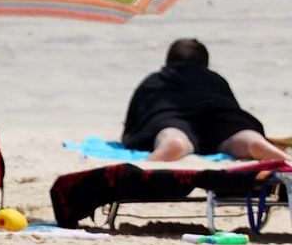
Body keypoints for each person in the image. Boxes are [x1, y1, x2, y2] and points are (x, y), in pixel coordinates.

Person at [121, 38, 285, 162]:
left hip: (168, 115)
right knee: (232, 132)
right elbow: (231, 106)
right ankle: (251, 142)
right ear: (205, 63)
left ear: (168, 60)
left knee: (171, 131)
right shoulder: (214, 78)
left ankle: (174, 141)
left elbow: (134, 119)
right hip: (218, 114)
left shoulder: (155, 79)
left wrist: (128, 135)